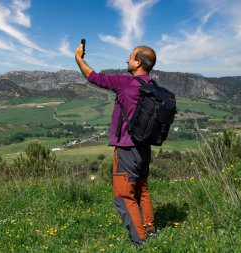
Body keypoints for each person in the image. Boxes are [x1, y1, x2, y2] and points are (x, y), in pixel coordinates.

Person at [75, 42, 157, 246]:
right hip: (144, 148)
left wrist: (78, 58)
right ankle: (151, 231)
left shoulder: (126, 83)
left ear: (138, 62)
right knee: (141, 189)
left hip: (127, 150)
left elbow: (93, 77)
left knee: (122, 196)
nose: (126, 60)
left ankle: (141, 242)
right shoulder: (153, 87)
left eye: (130, 57)